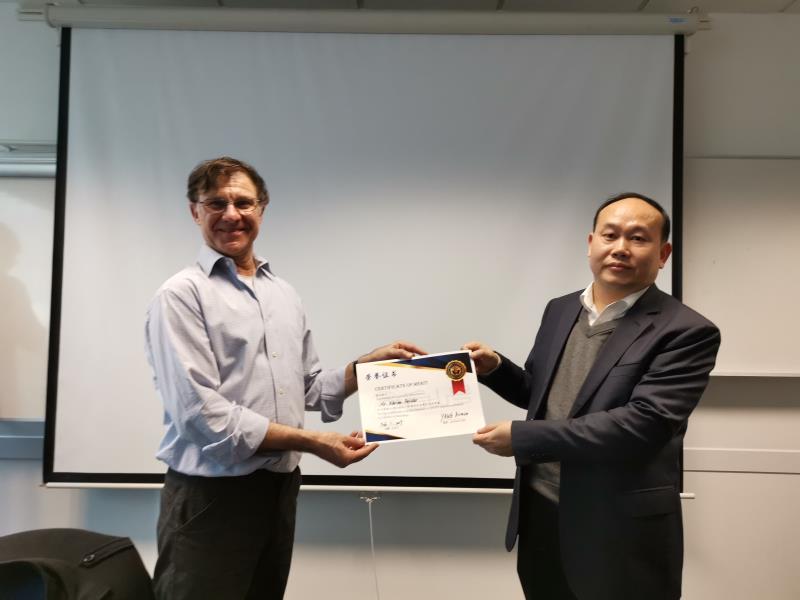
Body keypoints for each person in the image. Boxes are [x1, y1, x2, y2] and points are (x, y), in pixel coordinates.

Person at [145, 156, 423, 600]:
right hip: (211, 498)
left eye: (243, 202)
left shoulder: (283, 294)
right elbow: (202, 416)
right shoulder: (181, 295)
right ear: (194, 211)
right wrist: (313, 442)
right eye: (216, 203)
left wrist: (365, 369)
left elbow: (307, 387)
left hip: (279, 490)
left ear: (262, 209)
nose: (231, 214)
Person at [464, 193, 720, 600]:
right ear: (590, 243)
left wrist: (523, 438)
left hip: (619, 531)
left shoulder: (687, 331)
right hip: (542, 513)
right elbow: (545, 394)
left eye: (638, 238)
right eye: (610, 235)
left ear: (663, 254)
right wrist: (496, 368)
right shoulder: (560, 309)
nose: (620, 248)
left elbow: (642, 425)